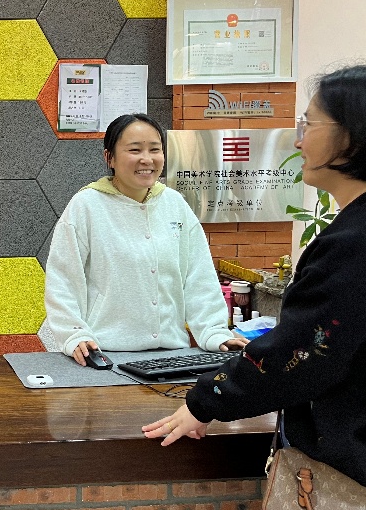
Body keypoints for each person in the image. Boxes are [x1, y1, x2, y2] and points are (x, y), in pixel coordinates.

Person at [143, 63, 366, 488]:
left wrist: (207, 399)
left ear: (354, 135)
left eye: (309, 124)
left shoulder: (360, 240)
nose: (298, 139)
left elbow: (305, 351)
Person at [45, 113, 246, 366]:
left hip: (172, 355)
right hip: (106, 355)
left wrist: (215, 332)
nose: (147, 159)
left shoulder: (174, 204)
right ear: (109, 157)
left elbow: (199, 278)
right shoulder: (86, 205)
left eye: (155, 149)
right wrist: (74, 335)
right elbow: (63, 280)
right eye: (135, 150)